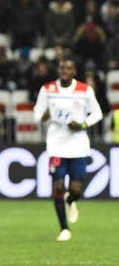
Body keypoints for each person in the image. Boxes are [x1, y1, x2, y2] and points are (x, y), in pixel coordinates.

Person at [33, 59, 103, 242]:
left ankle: (71, 200)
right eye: (62, 67)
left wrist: (82, 124)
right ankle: (64, 229)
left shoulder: (84, 90)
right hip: (56, 145)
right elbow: (37, 113)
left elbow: (97, 113)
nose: (64, 70)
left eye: (69, 68)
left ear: (74, 71)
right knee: (57, 187)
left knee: (76, 190)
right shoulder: (47, 89)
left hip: (78, 145)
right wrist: (44, 116)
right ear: (59, 69)